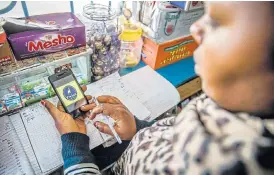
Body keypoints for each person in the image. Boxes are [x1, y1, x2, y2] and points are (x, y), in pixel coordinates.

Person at [42, 2, 274, 175]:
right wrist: (139, 129)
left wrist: (74, 145)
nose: (195, 27)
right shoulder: (234, 100)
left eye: (218, 22)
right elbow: (179, 134)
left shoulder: (220, 163)